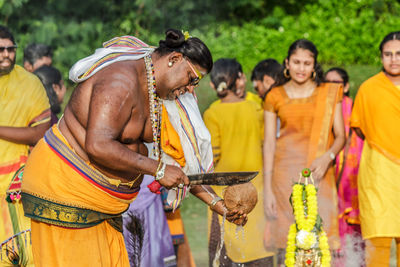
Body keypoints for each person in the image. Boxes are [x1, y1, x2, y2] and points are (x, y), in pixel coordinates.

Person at [21, 29, 246, 267]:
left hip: (103, 208)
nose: (191, 89)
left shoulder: (161, 97)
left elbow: (180, 167)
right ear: (173, 60)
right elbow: (98, 144)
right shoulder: (120, 81)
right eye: (192, 79)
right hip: (65, 192)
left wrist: (219, 205)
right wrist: (158, 169)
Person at [262, 39, 345, 266]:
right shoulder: (274, 96)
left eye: (307, 63)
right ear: (287, 63)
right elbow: (268, 144)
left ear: (314, 65)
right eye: (296, 62)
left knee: (320, 241)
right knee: (287, 244)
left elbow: (341, 136)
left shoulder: (329, 93)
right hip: (283, 178)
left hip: (319, 172)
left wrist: (327, 157)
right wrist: (267, 189)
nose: (301, 68)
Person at [204, 58, 274, 266]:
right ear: (239, 80)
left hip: (225, 198)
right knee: (258, 249)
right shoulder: (256, 109)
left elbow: (211, 159)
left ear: (213, 85)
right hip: (256, 194)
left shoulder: (212, 113)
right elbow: (267, 145)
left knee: (226, 252)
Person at [0, 25, 51, 266]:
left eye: (11, 49)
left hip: (16, 188)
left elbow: (40, 133)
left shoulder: (29, 84)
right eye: (1, 49)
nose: (6, 54)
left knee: (25, 256)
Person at [350, 31, 400, 267]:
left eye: (399, 53)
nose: (394, 59)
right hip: (378, 171)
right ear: (381, 57)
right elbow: (359, 128)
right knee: (378, 235)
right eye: (388, 54)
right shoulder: (369, 88)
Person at [325, 67, 365, 265]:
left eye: (337, 83)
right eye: (327, 83)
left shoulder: (356, 108)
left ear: (346, 86)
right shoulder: (322, 108)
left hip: (354, 175)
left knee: (357, 234)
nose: (331, 87)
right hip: (329, 173)